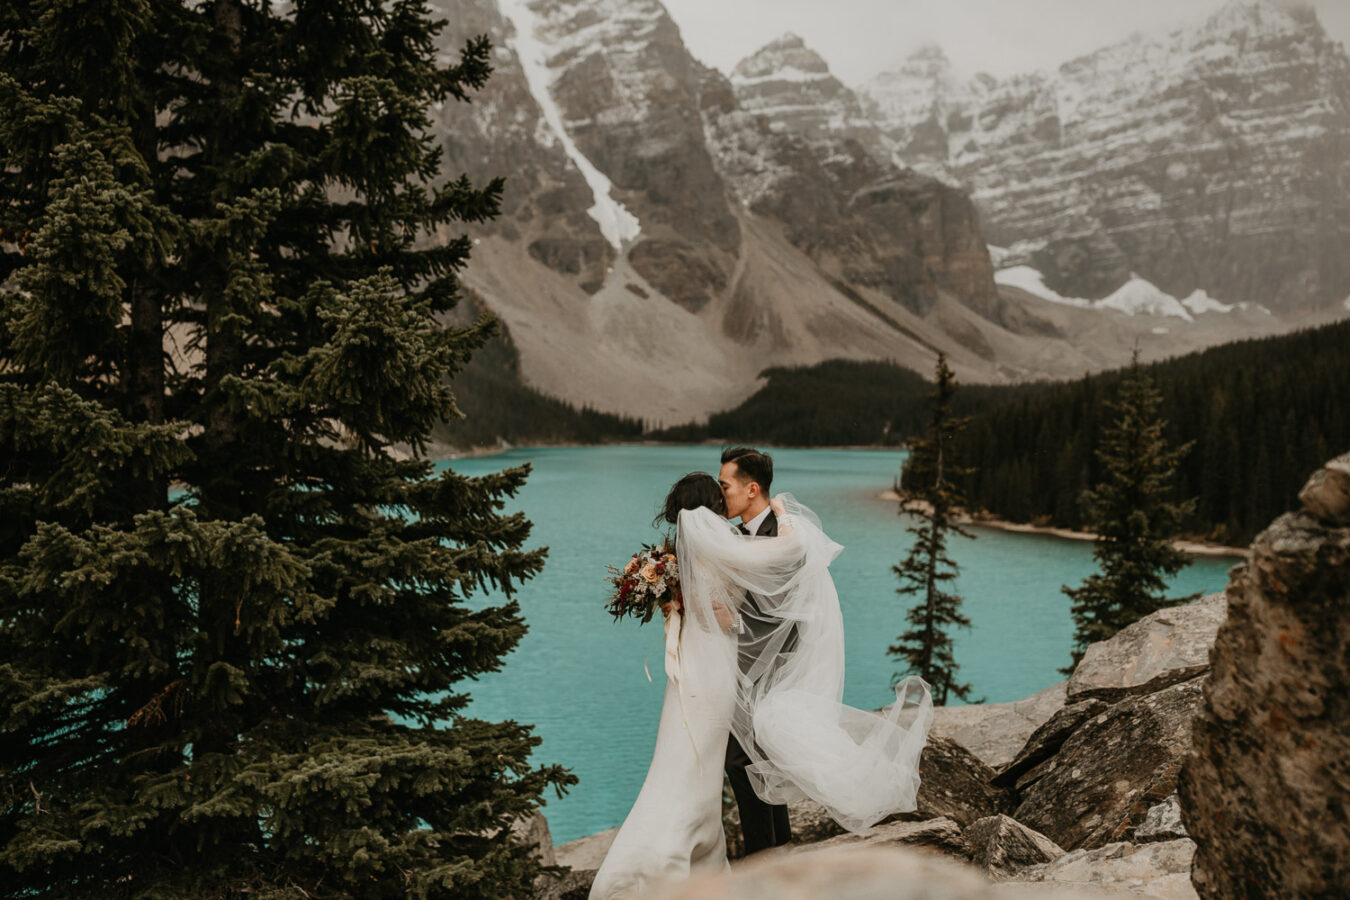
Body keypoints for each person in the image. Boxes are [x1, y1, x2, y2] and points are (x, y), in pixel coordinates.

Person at [589, 466, 933, 900]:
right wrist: (785, 513)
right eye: (720, 495)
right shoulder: (719, 539)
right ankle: (745, 854)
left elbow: (715, 603)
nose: (724, 502)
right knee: (721, 758)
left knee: (698, 756)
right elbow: (783, 555)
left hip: (701, 664)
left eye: (727, 487)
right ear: (710, 505)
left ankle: (733, 851)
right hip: (716, 666)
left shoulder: (686, 543)